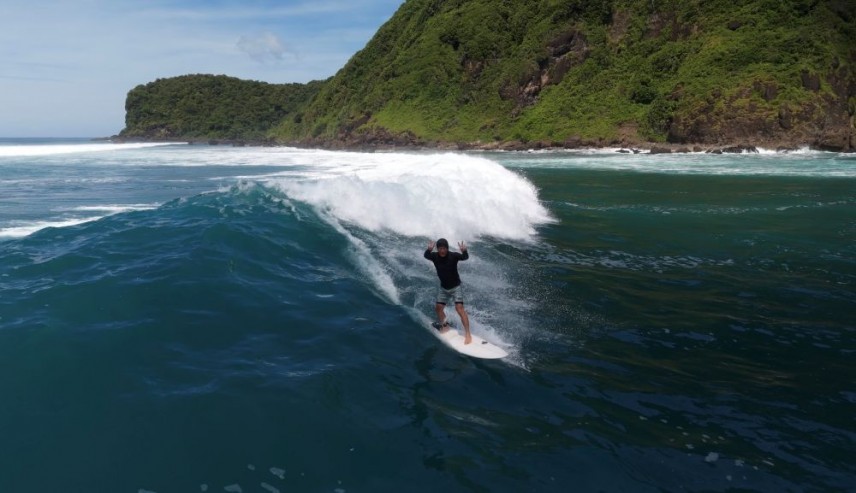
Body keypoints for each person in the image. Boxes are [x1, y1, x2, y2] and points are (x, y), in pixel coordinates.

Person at [424, 238, 472, 344]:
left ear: (447, 248)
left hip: (456, 287)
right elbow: (426, 255)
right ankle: (445, 326)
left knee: (459, 309)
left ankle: (468, 334)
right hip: (444, 288)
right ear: (437, 249)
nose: (442, 250)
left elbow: (465, 257)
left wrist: (464, 251)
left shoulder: (453, 256)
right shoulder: (434, 256)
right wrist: (429, 250)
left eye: (444, 248)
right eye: (440, 248)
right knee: (438, 308)